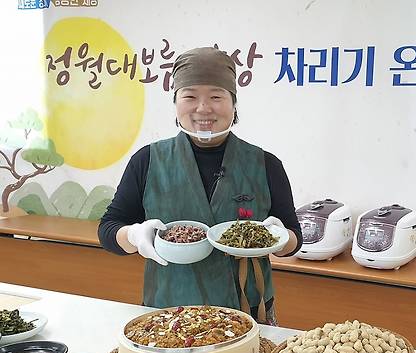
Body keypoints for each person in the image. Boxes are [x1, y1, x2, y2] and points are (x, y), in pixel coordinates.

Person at [98, 47, 302, 325]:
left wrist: (280, 237)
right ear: (176, 102)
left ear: (233, 104)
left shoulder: (265, 164)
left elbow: (293, 241)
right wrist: (134, 236)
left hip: (247, 310)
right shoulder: (147, 160)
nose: (203, 108)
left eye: (216, 97)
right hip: (169, 311)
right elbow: (108, 229)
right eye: (190, 96)